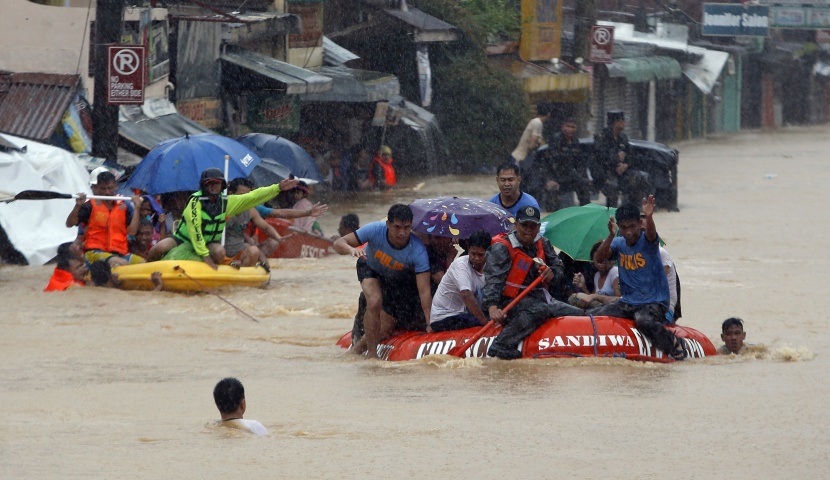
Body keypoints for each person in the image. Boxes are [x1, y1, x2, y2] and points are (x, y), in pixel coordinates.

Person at [590, 197, 688, 360]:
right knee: (595, 315)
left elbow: (651, 234)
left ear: (640, 224)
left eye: (632, 226)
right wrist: (610, 236)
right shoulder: (619, 243)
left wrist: (649, 217)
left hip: (654, 303)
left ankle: (674, 342)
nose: (628, 232)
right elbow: (599, 258)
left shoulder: (648, 241)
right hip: (628, 302)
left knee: (643, 321)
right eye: (624, 227)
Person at [482, 205, 584, 359]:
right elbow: (493, 281)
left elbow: (558, 267)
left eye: (533, 226)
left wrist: (552, 274)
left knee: (578, 314)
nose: (529, 230)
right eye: (524, 225)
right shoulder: (502, 248)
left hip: (539, 297)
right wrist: (492, 308)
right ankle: (501, 344)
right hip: (510, 301)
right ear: (516, 225)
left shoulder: (543, 243)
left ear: (538, 227)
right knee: (539, 310)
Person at [333, 204, 431, 358]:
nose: (402, 233)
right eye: (397, 227)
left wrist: (429, 323)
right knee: (374, 301)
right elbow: (338, 243)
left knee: (387, 324)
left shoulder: (418, 251)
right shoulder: (374, 229)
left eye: (407, 227)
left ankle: (357, 349)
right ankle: (372, 356)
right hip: (369, 266)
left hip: (395, 279)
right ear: (388, 224)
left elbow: (424, 291)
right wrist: (351, 249)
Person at [146, 168, 298, 268]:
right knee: (159, 247)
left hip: (209, 242)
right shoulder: (195, 202)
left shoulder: (226, 202)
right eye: (209, 183)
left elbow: (253, 197)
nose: (213, 186)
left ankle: (221, 268)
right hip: (184, 239)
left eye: (217, 183)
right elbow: (195, 229)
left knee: (219, 251)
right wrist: (205, 257)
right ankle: (146, 266)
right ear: (203, 186)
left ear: (222, 186)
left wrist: (277, 188)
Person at [65, 170, 144, 267]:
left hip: (120, 253)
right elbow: (69, 224)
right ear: (97, 188)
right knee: (120, 263)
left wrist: (137, 208)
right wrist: (77, 206)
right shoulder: (89, 206)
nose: (107, 192)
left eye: (110, 188)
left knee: (142, 263)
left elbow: (132, 232)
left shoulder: (124, 206)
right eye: (103, 189)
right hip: (94, 252)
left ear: (116, 186)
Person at [429, 230, 491, 332]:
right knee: (480, 322)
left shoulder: (490, 266)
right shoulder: (461, 265)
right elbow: (466, 295)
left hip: (462, 314)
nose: (476, 258)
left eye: (481, 255)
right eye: (473, 253)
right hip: (443, 318)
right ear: (468, 249)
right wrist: (485, 323)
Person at [224, 178, 287, 267]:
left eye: (248, 195)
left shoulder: (251, 210)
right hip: (221, 250)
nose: (245, 199)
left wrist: (278, 237)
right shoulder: (223, 207)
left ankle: (248, 265)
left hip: (239, 250)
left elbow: (266, 227)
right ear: (230, 193)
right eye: (242, 195)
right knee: (248, 244)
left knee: (269, 243)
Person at [594, 110, 651, 208]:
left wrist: (625, 165)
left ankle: (633, 209)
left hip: (622, 172)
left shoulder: (623, 137)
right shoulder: (601, 137)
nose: (624, 123)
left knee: (641, 178)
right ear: (615, 122)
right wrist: (615, 160)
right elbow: (600, 158)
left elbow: (631, 155)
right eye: (622, 121)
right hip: (605, 173)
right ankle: (611, 215)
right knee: (612, 186)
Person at [536, 117, 592, 211]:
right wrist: (549, 180)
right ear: (563, 127)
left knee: (584, 189)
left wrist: (584, 178)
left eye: (573, 127)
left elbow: (579, 163)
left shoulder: (575, 141)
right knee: (553, 194)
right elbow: (549, 164)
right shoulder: (555, 140)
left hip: (570, 177)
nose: (570, 129)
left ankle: (585, 213)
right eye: (568, 126)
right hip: (556, 176)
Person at [569, 241, 620, 309]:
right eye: (598, 259)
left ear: (612, 260)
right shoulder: (597, 276)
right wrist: (583, 286)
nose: (602, 262)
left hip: (612, 311)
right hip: (598, 312)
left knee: (575, 298)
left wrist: (595, 296)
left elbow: (619, 300)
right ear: (593, 261)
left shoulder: (615, 272)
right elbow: (590, 300)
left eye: (605, 258)